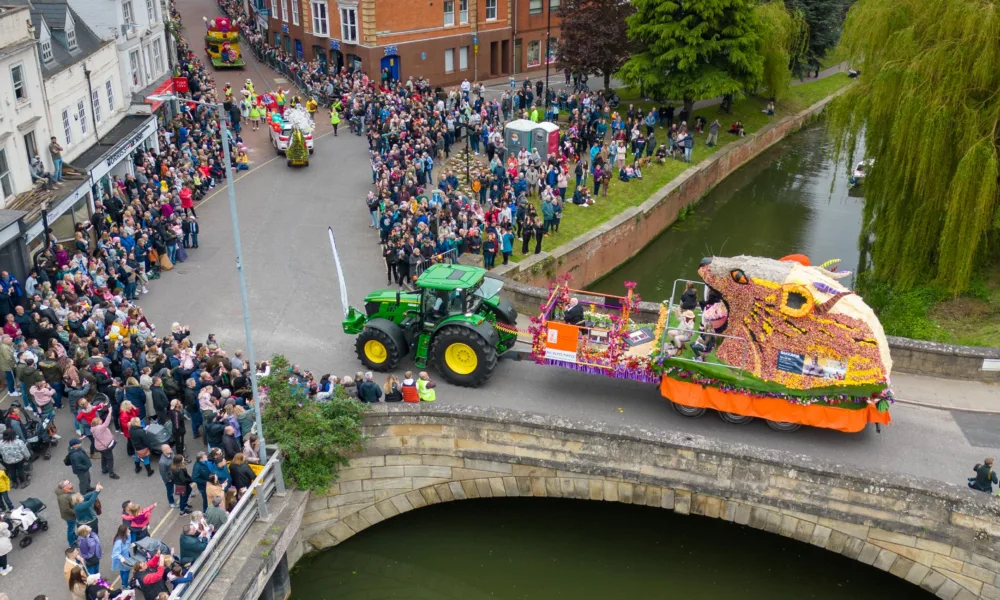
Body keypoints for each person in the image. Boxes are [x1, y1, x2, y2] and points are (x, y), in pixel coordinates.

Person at [91, 411, 119, 480]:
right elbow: (107, 422)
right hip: (104, 447)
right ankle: (111, 473)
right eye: (100, 420)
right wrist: (110, 412)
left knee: (104, 457)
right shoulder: (99, 428)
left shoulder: (94, 429)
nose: (101, 420)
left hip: (99, 446)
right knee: (110, 459)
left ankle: (104, 469)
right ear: (97, 423)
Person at [57, 480, 78, 547]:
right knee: (71, 529)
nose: (70, 483)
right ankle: (71, 543)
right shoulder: (64, 497)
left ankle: (74, 537)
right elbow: (66, 509)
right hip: (70, 516)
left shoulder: (68, 491)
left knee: (72, 527)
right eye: (68, 483)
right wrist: (75, 512)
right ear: (64, 487)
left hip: (70, 514)